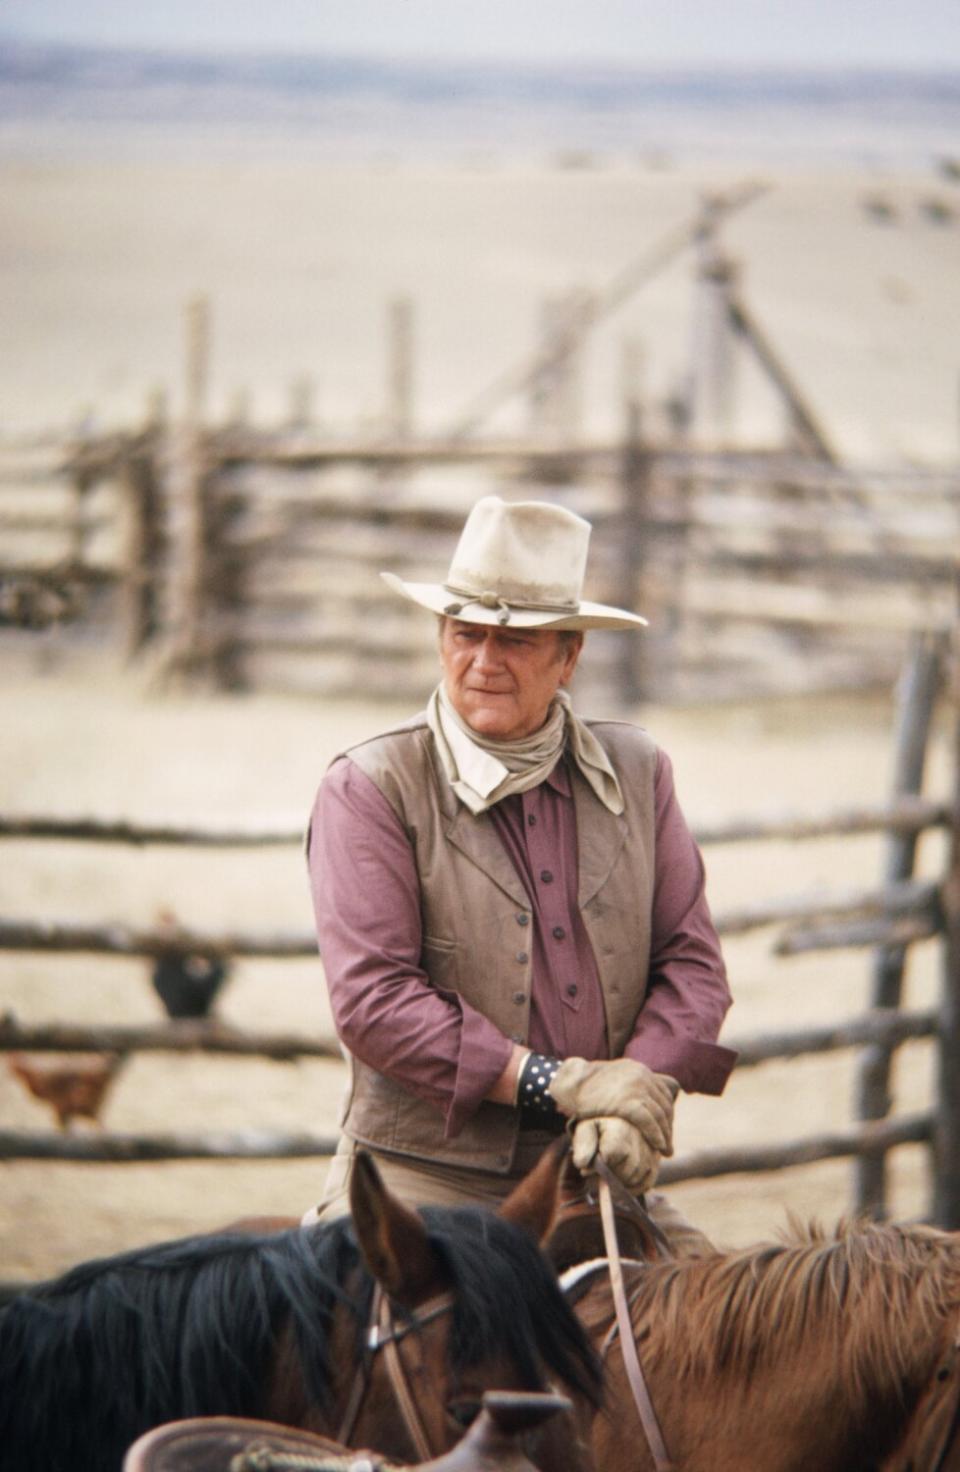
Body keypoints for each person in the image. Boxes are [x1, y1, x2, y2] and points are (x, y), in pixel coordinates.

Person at [303, 495, 736, 1251]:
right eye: (466, 634)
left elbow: (693, 966)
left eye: (517, 642)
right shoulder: (372, 786)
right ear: (441, 640)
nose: (484, 662)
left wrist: (634, 1093)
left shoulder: (638, 772)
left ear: (569, 656)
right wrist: (564, 1085)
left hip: (588, 1166)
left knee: (730, 1352)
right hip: (422, 1178)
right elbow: (373, 1001)